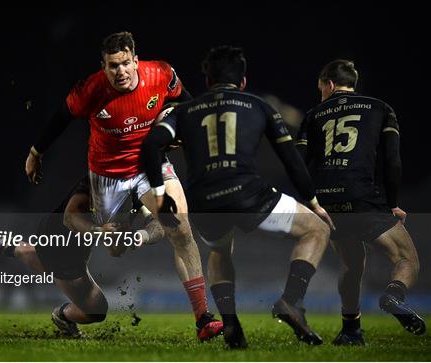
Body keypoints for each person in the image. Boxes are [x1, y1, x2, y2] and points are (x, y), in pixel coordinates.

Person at [24, 31, 223, 340]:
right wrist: (36, 153)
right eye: (113, 66)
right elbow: (61, 118)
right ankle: (134, 238)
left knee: (180, 226)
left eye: (125, 63)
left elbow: (189, 105)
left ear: (136, 59)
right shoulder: (90, 90)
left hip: (149, 165)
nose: (121, 72)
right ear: (103, 67)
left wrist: (185, 129)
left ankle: (203, 318)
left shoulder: (162, 74)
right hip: (107, 177)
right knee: (115, 247)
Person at [141, 45, 334, 348]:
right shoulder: (258, 105)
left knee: (220, 251)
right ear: (242, 81)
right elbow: (291, 159)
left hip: (202, 203)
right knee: (316, 229)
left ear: (207, 82)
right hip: (247, 195)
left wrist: (161, 195)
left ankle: (230, 324)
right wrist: (313, 203)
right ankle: (291, 301)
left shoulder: (184, 110)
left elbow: (151, 145)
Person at [296, 59, 425, 345]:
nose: (321, 94)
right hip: (362, 196)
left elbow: (299, 164)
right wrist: (392, 202)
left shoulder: (313, 114)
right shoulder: (380, 108)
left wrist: (310, 201)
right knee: (407, 259)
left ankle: (350, 330)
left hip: (327, 201)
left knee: (352, 265)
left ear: (329, 84)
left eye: (321, 89)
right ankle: (393, 297)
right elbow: (392, 161)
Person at [0, 176, 165, 337]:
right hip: (61, 238)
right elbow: (70, 218)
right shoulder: (99, 179)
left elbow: (157, 226)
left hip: (74, 243)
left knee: (47, 266)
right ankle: (62, 315)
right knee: (96, 309)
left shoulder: (138, 189)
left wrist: (142, 236)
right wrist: (101, 232)